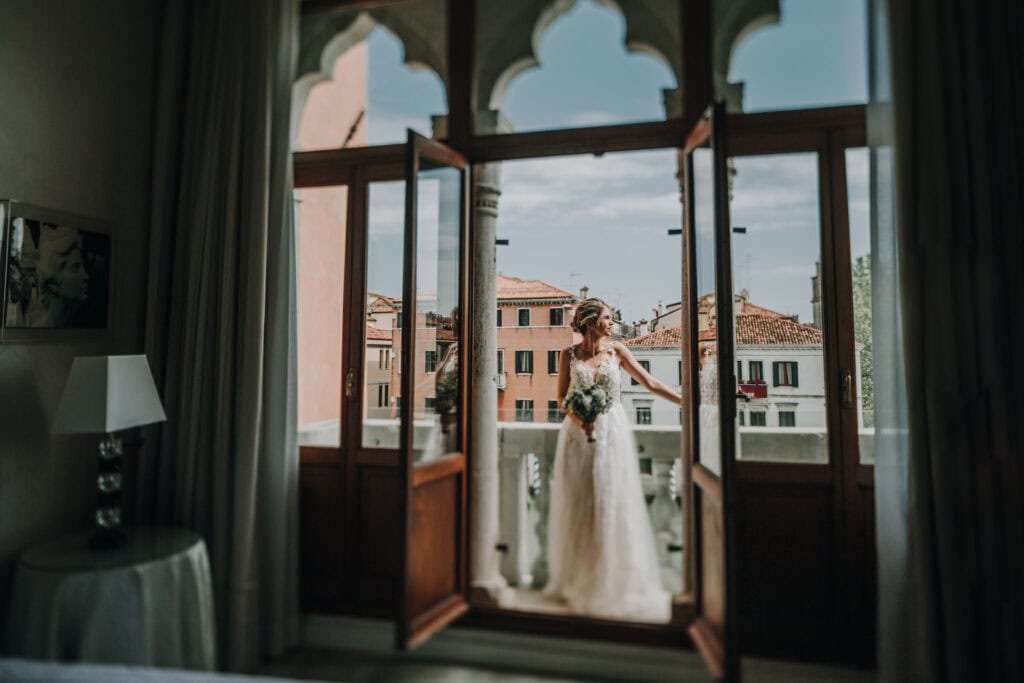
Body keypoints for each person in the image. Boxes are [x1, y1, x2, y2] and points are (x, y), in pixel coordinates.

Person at [542, 297, 683, 623]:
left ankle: (612, 580)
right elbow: (561, 397)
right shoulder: (568, 355)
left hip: (611, 432)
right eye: (607, 318)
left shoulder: (617, 351)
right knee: (582, 501)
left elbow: (650, 383)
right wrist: (581, 419)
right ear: (591, 322)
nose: (612, 323)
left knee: (612, 501)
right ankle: (581, 578)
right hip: (579, 432)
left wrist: (686, 402)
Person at [29, 224, 89, 328]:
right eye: (75, 267)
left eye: (83, 267)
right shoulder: (39, 332)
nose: (86, 276)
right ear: (53, 285)